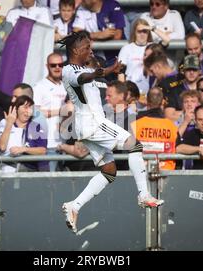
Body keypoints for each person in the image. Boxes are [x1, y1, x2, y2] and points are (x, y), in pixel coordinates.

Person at [58, 32, 164, 233]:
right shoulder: (70, 70)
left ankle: (75, 206)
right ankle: (143, 194)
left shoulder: (80, 67)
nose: (90, 50)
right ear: (74, 50)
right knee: (135, 145)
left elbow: (89, 74)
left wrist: (107, 70)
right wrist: (99, 72)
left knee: (109, 171)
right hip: (93, 123)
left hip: (87, 125)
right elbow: (83, 77)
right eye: (86, 47)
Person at [33, 53, 68, 171]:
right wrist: (60, 111)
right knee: (49, 182)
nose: (57, 68)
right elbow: (35, 114)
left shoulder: (66, 85)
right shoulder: (39, 87)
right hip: (48, 144)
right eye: (53, 65)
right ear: (47, 66)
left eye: (60, 65)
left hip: (65, 144)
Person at [0, 95, 48, 172]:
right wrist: (9, 123)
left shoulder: (36, 127)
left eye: (31, 108)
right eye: (25, 107)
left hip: (30, 171)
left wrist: (23, 149)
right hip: (8, 170)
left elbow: (42, 150)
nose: (28, 111)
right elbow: (2, 147)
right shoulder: (5, 122)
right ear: (16, 108)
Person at [73, 0, 126, 66]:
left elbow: (117, 36)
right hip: (93, 60)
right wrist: (98, 35)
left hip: (115, 58)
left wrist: (88, 38)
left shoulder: (112, 5)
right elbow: (76, 34)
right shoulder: (82, 8)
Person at [118, 19, 153, 96]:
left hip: (149, 92)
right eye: (139, 31)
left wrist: (151, 28)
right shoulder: (126, 48)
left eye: (145, 31)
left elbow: (166, 40)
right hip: (130, 92)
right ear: (134, 32)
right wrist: (124, 93)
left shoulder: (153, 47)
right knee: (125, 108)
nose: (142, 34)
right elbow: (121, 73)